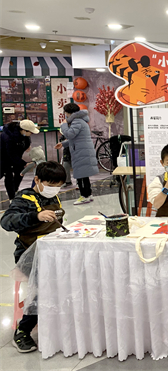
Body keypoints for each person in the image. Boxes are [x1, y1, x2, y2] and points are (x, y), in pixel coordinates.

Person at [0, 161, 66, 353]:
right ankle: (23, 330)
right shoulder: (25, 198)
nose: (54, 189)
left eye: (58, 185)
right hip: (29, 255)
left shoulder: (54, 197)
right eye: (51, 184)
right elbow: (6, 221)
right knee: (48, 284)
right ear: (37, 180)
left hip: (53, 251)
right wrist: (35, 216)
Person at [53, 103, 98, 204]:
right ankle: (88, 194)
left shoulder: (77, 121)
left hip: (80, 152)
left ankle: (84, 196)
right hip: (82, 150)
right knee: (84, 175)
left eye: (65, 112)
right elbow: (76, 139)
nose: (65, 115)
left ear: (68, 112)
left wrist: (63, 125)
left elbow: (70, 134)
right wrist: (63, 144)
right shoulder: (81, 121)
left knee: (80, 175)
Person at [0, 120, 38, 200]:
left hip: (13, 157)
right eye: (31, 132)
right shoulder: (8, 137)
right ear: (24, 130)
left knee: (20, 171)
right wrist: (24, 163)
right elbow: (11, 154)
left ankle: (14, 191)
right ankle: (12, 197)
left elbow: (24, 145)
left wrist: (26, 146)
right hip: (3, 157)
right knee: (8, 174)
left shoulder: (24, 136)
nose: (31, 134)